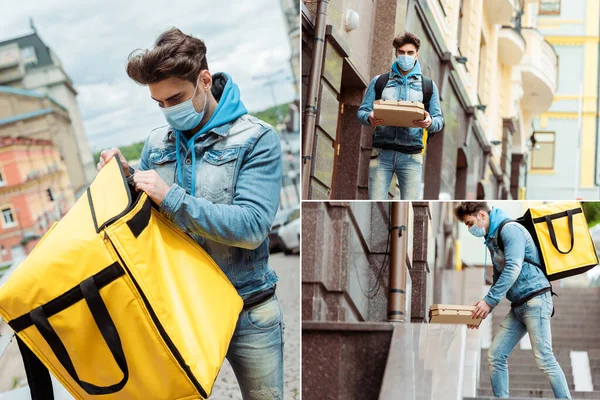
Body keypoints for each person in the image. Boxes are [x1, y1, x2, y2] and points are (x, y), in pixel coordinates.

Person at [97, 28, 284, 400]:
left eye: (176, 98)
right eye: (159, 103)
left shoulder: (257, 139)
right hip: (183, 311)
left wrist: (172, 197)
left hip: (249, 310)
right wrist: (126, 179)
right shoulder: (154, 144)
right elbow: (151, 224)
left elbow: (251, 227)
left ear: (204, 80)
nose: (168, 111)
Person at [454, 202, 571, 399]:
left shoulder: (510, 230)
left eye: (469, 223)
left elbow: (513, 268)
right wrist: (483, 310)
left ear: (482, 215)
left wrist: (489, 301)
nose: (469, 228)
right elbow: (499, 278)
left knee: (544, 358)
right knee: (496, 355)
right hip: (518, 306)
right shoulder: (493, 239)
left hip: (535, 300)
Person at [357, 32, 444, 200]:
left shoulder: (428, 86)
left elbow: (439, 120)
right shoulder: (380, 81)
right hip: (382, 153)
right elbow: (361, 112)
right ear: (396, 53)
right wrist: (370, 117)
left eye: (410, 53)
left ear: (417, 54)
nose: (406, 56)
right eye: (402, 52)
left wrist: (430, 122)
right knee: (375, 205)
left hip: (412, 156)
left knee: (408, 206)